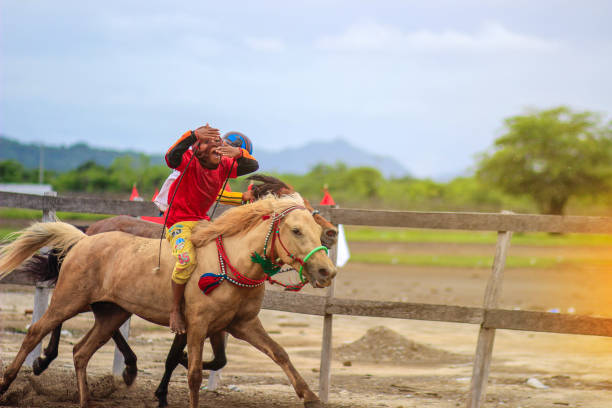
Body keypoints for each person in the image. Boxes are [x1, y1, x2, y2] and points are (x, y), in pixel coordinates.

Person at [164, 124, 258, 333]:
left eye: (219, 143)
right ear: (197, 149)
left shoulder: (224, 165)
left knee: (228, 252)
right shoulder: (188, 162)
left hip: (203, 221)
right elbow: (171, 156)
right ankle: (174, 310)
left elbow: (252, 166)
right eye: (209, 142)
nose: (217, 146)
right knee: (186, 260)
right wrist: (192, 135)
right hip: (179, 222)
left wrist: (239, 153)